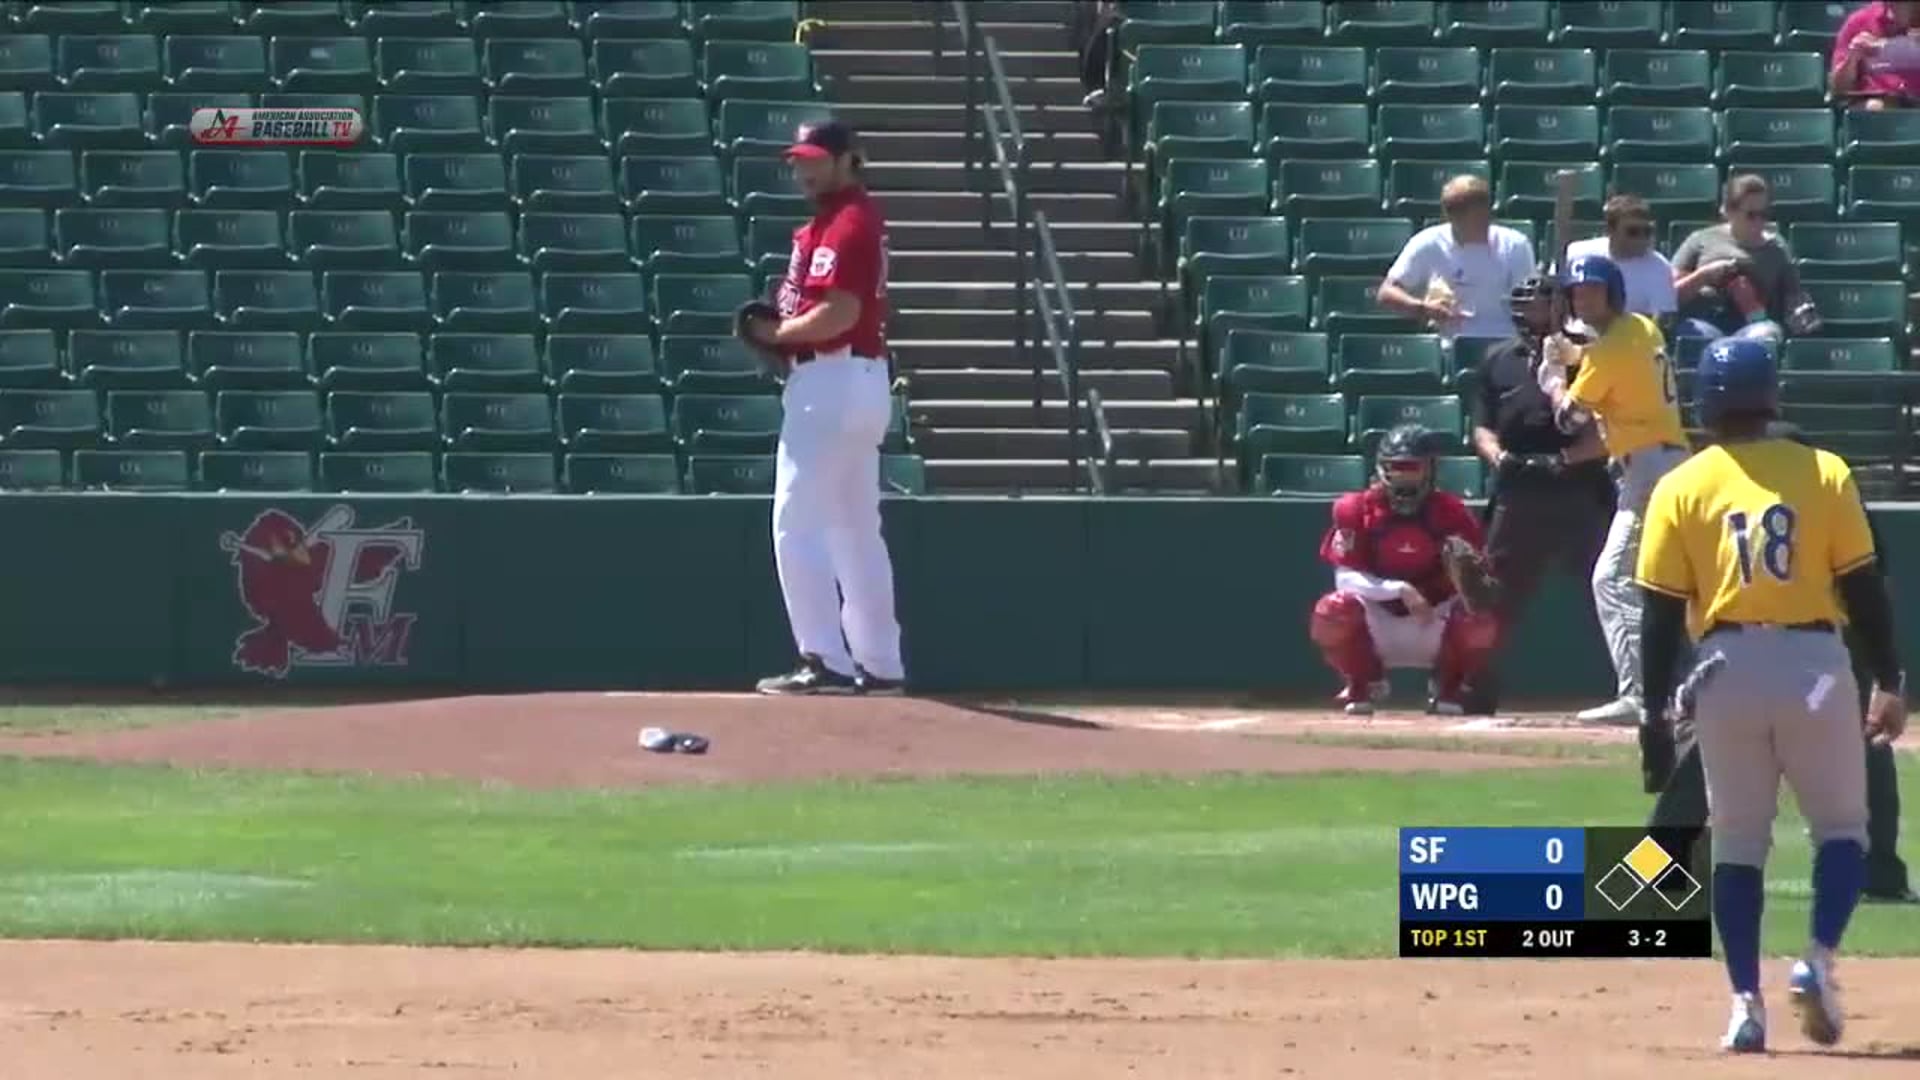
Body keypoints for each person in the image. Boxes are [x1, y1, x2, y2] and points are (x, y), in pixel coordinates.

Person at [1634, 337, 1906, 1053]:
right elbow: (1864, 588)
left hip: (1723, 666)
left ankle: (1746, 1006)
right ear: (1772, 396)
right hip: (1815, 664)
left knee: (1739, 845)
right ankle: (1816, 959)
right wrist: (1890, 679)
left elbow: (1659, 615)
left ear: (1708, 404)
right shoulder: (1823, 471)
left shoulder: (1681, 484)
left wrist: (1652, 715)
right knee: (1844, 830)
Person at [1649, 420, 1915, 906]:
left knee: (1708, 760)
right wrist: (1882, 670)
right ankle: (1879, 873)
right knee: (1861, 754)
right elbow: (1875, 585)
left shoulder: (1800, 485)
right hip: (1818, 650)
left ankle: (1656, 867)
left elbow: (1871, 582)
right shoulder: (1824, 483)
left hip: (1764, 646)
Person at [741, 120, 906, 696]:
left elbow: (838, 313)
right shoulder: (838, 221)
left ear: (847, 160)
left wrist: (780, 334)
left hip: (832, 378)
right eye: (797, 160)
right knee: (856, 529)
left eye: (814, 159)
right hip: (856, 380)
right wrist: (784, 329)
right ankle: (881, 663)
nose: (803, 169)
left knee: (796, 523)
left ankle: (824, 659)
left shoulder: (848, 223)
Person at [1536, 253, 1689, 725]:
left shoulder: (1608, 351)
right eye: (1578, 292)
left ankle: (1643, 696)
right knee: (1661, 583)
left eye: (1593, 292)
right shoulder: (1642, 327)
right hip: (1667, 462)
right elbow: (1618, 363)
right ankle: (1673, 689)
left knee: (1613, 579)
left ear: (1613, 293)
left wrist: (1554, 381)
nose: (1584, 299)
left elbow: (1569, 420)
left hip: (1647, 470)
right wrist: (1576, 355)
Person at [1467, 275, 1614, 712]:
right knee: (1492, 598)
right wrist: (1500, 458)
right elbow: (1482, 426)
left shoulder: (1588, 353)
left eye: (1547, 300)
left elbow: (1609, 427)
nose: (1538, 309)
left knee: (1610, 588)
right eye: (1531, 302)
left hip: (1581, 488)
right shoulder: (1498, 359)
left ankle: (1641, 686)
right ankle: (1473, 684)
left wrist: (1565, 458)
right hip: (1519, 491)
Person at [1307, 424, 1501, 716]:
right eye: (1397, 467)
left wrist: (1469, 584)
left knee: (1481, 618)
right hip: (1377, 620)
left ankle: (1450, 684)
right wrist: (1399, 590)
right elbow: (1344, 578)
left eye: (1413, 468)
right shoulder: (1354, 509)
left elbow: (1478, 578)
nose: (1405, 476)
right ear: (1382, 469)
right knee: (1333, 610)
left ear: (1430, 470)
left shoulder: (1452, 512)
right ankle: (1363, 679)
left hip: (1434, 619)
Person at [1376, 175, 1536, 343]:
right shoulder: (1428, 242)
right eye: (1472, 218)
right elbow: (1386, 293)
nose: (1481, 223)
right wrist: (1424, 309)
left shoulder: (1515, 245)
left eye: (1483, 214)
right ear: (1450, 216)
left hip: (1505, 344)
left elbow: (1530, 305)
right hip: (1450, 345)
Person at [1671, 175, 1821, 348]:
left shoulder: (1777, 248)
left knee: (1766, 335)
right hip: (1707, 321)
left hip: (1753, 326)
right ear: (1728, 211)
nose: (1759, 222)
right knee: (1695, 335)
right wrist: (1704, 276)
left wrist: (1799, 314)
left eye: (1763, 214)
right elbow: (1668, 296)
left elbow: (1793, 296)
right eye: (1751, 215)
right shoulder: (1701, 240)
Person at [1566, 194, 1676, 319]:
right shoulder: (1577, 253)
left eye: (1647, 231)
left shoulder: (1659, 267)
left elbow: (1661, 320)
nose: (1642, 238)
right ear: (1609, 230)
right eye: (1633, 231)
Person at [1831, 1, 1920, 109]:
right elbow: (1838, 89)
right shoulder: (1860, 21)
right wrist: (1852, 59)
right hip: (1877, 107)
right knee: (1875, 106)